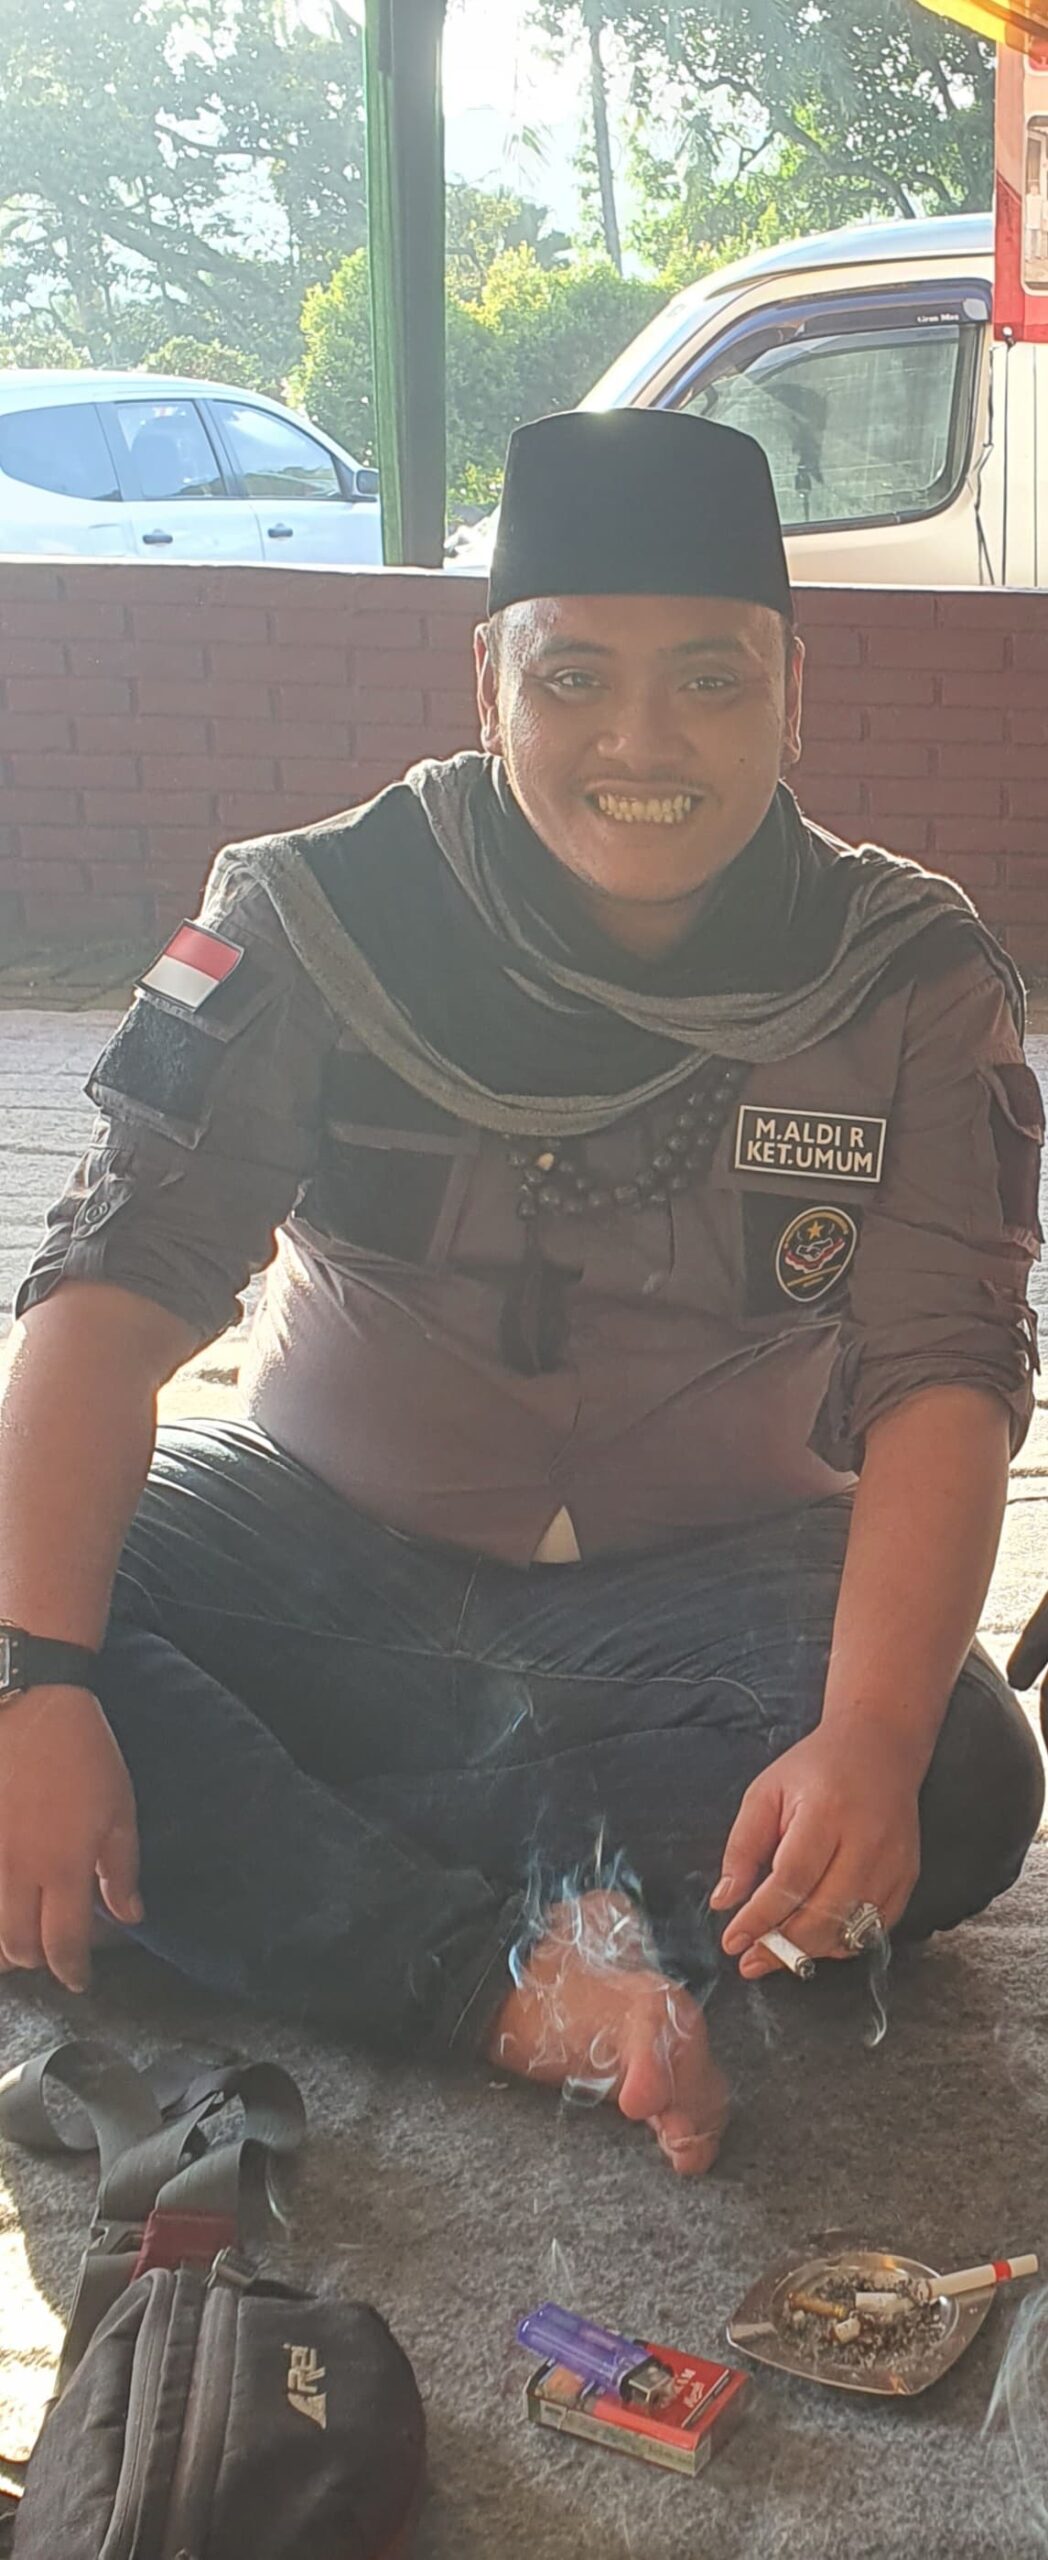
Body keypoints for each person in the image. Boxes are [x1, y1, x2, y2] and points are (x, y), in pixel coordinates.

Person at [0, 410, 1043, 2177]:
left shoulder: (907, 975)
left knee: (954, 1776)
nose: (643, 742)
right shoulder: (316, 916)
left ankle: (260, 1864)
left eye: (709, 680)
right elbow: (110, 1289)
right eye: (575, 679)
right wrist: (34, 1682)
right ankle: (491, 1974)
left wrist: (862, 1735)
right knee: (17, 1634)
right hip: (313, 1551)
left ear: (793, 689)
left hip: (713, 1592)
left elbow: (948, 1368)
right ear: (486, 681)